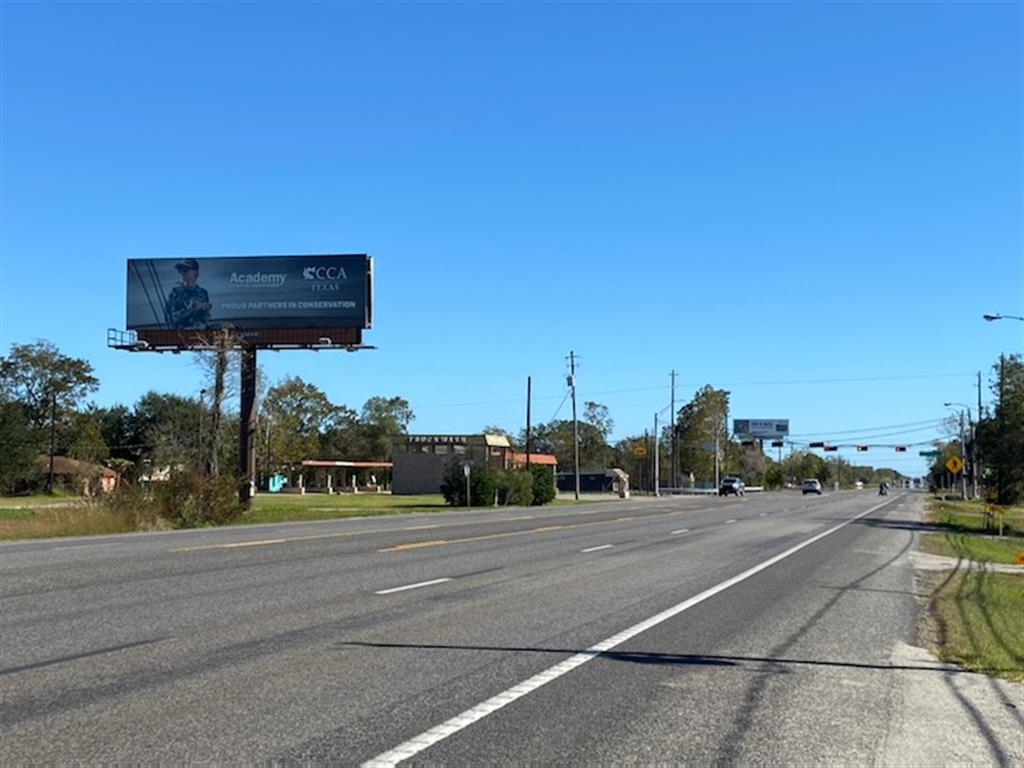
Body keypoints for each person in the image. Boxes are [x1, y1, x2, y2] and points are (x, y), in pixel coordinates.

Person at [165, 258, 212, 328]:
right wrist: (192, 308)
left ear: (196, 272)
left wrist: (206, 309)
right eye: (180, 271)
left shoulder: (203, 293)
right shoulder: (175, 292)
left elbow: (206, 319)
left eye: (186, 270)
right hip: (181, 333)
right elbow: (170, 318)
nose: (183, 273)